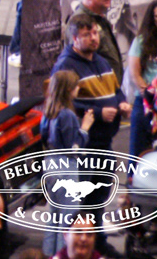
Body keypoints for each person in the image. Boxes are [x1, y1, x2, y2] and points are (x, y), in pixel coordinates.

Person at [40, 69, 96, 254]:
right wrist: (85, 128)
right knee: (68, 220)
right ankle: (65, 255)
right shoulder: (68, 115)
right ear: (69, 90)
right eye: (76, 86)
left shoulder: (47, 112)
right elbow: (74, 147)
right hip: (65, 167)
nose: (78, 88)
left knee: (54, 217)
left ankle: (49, 255)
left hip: (50, 164)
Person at [52, 13, 127, 151]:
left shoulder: (102, 61)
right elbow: (62, 103)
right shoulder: (65, 66)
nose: (93, 38)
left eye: (95, 33)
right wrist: (98, 113)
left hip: (105, 141)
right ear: (75, 38)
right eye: (86, 35)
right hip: (84, 144)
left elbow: (116, 90)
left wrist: (122, 102)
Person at [126, 0, 157, 154]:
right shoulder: (141, 41)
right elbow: (134, 73)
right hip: (144, 102)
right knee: (138, 152)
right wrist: (149, 95)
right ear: (152, 19)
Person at [73, 0, 123, 76]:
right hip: (97, 84)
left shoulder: (101, 18)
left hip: (111, 82)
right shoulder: (77, 21)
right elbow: (79, 63)